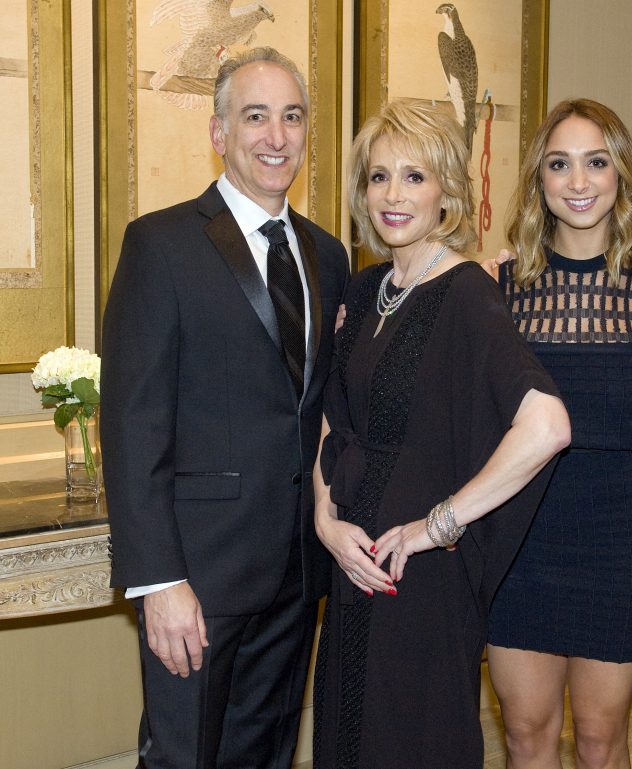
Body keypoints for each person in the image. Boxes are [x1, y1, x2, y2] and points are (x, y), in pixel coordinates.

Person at [102, 47, 349, 768]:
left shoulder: (328, 257)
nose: (277, 136)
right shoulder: (161, 245)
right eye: (255, 117)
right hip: (198, 580)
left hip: (296, 575)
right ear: (218, 132)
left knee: (267, 753)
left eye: (292, 117)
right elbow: (132, 422)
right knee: (184, 757)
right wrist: (159, 580)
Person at [311, 98, 571, 769]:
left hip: (418, 579)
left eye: (415, 177)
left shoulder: (466, 294)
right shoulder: (366, 289)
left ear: (449, 191)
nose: (393, 195)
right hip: (352, 561)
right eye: (379, 176)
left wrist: (439, 524)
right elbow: (332, 420)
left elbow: (547, 423)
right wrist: (324, 520)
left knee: (412, 740)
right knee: (351, 735)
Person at [484, 98, 632, 769]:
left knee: (602, 739)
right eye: (560, 164)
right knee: (526, 732)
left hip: (621, 535)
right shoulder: (499, 287)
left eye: (596, 162)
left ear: (621, 173)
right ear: (539, 181)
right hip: (521, 534)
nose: (579, 181)